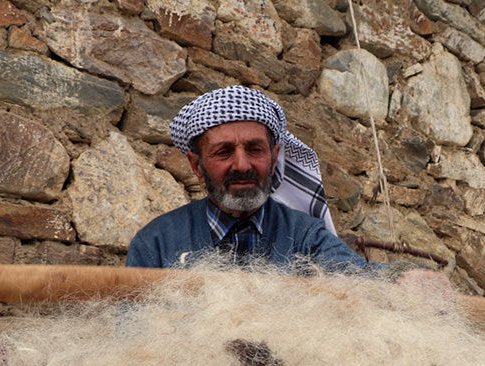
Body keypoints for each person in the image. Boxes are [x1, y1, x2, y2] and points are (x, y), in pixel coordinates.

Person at [126, 86, 371, 271]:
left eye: (255, 149)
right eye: (224, 152)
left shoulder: (306, 237)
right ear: (196, 166)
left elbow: (364, 278)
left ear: (273, 159)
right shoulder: (156, 243)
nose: (242, 165)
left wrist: (394, 276)